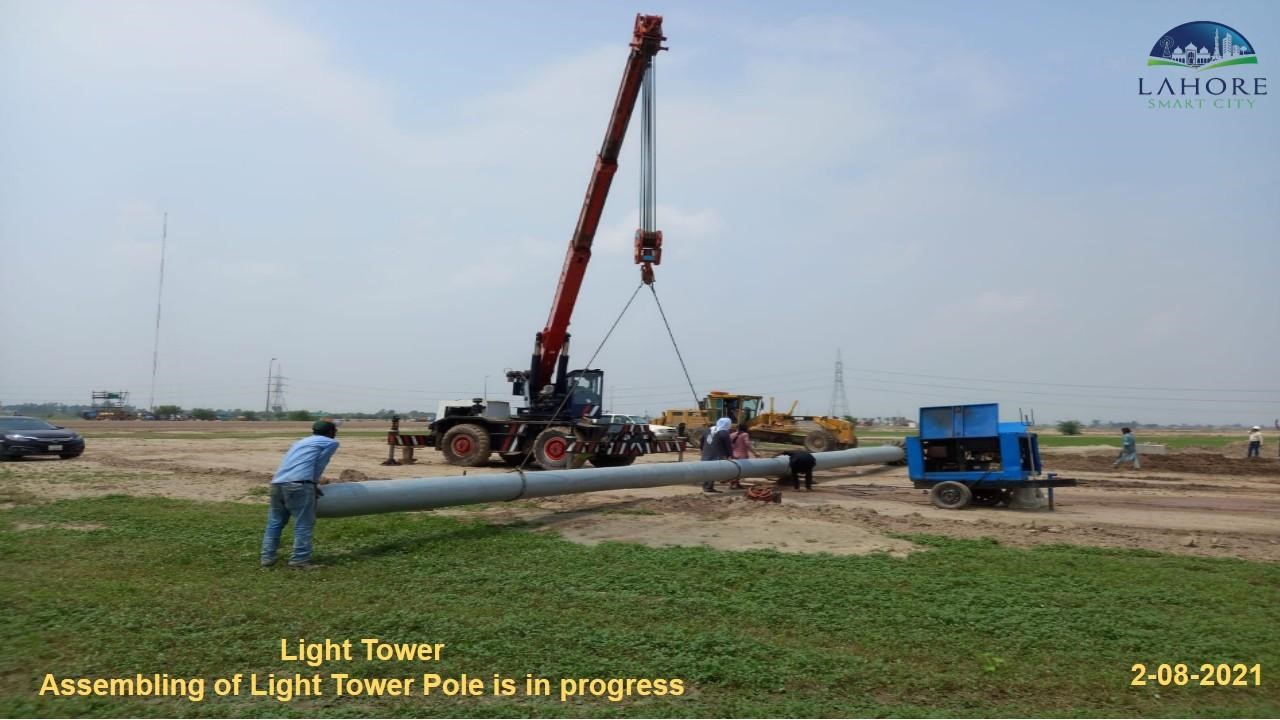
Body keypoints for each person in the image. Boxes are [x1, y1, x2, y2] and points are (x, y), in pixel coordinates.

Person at [260, 420, 340, 569]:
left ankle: (267, 557)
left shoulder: (301, 441)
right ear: (330, 432)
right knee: (303, 523)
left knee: (275, 522)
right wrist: (313, 483)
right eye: (335, 430)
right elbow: (320, 463)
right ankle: (299, 560)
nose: (336, 432)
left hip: (277, 483)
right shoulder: (330, 442)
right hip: (299, 485)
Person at [699, 417, 733, 493]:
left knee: (707, 471)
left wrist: (702, 450)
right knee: (713, 471)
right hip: (717, 455)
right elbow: (728, 446)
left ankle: (706, 485)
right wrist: (730, 455)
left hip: (706, 454)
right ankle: (708, 487)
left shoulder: (708, 430)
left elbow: (701, 440)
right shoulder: (724, 432)